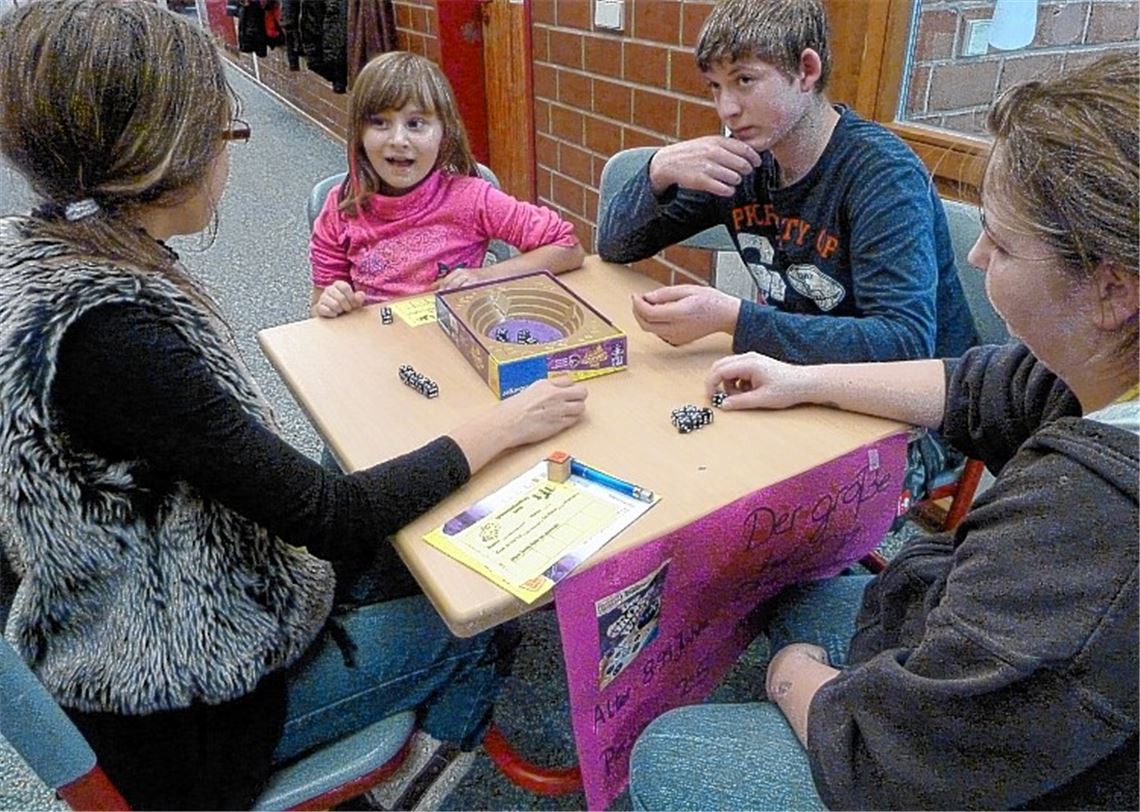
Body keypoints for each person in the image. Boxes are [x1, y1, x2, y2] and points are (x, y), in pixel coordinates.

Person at [0, 1, 589, 809]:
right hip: (187, 710)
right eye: (223, 133)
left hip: (129, 623)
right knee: (472, 620)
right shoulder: (114, 336)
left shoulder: (36, 256)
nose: (227, 158)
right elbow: (329, 516)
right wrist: (505, 424)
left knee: (411, 540)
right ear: (163, 153)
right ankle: (409, 779)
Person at [628, 51, 1138, 810]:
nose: (974, 255)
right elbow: (977, 384)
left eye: (1001, 244)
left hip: (953, 767)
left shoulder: (1082, 532)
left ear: (1111, 291)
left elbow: (888, 767)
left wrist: (793, 677)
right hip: (964, 626)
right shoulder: (1100, 375)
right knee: (797, 593)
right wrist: (800, 379)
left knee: (670, 756)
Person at [597, 0, 976, 365]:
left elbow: (904, 344)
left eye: (744, 80)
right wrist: (658, 170)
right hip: (806, 382)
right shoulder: (745, 161)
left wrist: (736, 319)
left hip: (921, 403)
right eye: (715, 86)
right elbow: (616, 247)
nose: (727, 109)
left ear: (806, 71)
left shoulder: (883, 175)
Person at [310, 50, 584, 318]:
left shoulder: (472, 199)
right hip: (376, 341)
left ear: (445, 132)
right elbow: (319, 306)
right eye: (380, 123)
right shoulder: (339, 208)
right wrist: (332, 304)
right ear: (359, 133)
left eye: (415, 123)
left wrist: (487, 276)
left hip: (454, 336)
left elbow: (568, 247)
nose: (398, 140)